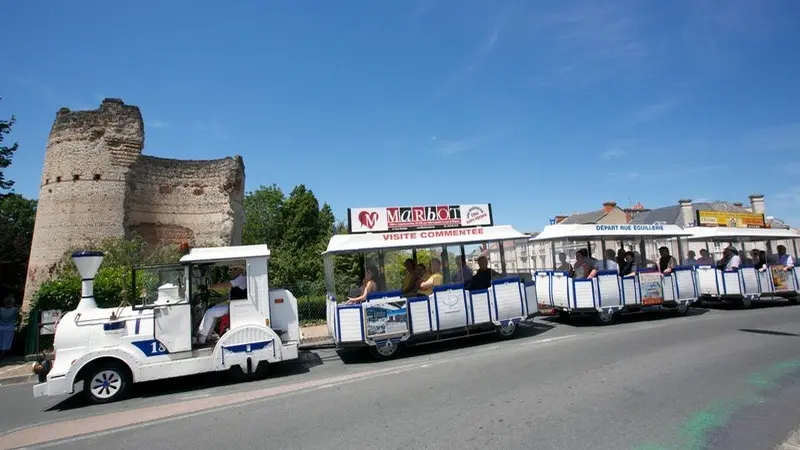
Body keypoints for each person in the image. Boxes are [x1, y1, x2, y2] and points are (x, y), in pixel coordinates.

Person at [196, 265, 247, 345]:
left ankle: (202, 338)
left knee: (210, 312)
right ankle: (208, 335)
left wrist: (210, 287)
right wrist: (217, 301)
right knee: (213, 308)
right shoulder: (238, 279)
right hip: (233, 305)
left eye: (234, 268)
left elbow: (225, 285)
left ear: (240, 270)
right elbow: (229, 295)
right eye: (231, 269)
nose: (231, 271)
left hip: (235, 307)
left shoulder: (241, 278)